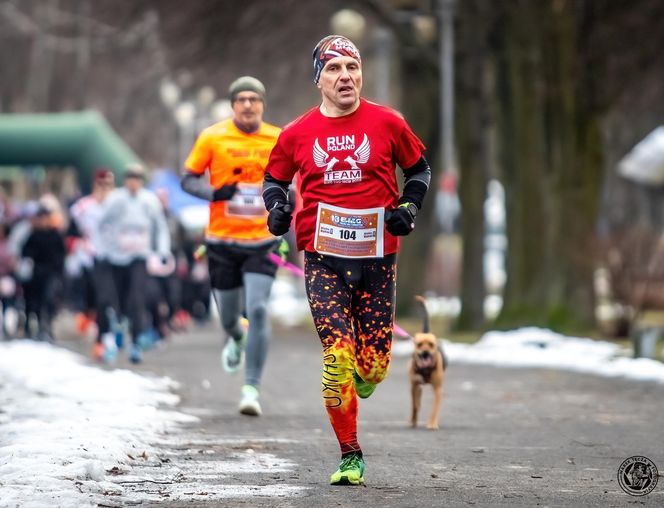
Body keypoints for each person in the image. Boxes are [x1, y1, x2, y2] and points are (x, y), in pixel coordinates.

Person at [262, 35, 431, 486]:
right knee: (337, 357)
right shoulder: (297, 133)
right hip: (323, 259)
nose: (345, 77)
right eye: (334, 69)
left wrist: (408, 210)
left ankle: (367, 371)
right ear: (319, 79)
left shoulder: (388, 123)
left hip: (378, 260)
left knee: (372, 367)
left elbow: (419, 171)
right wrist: (276, 210)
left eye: (352, 68)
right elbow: (273, 179)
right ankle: (350, 454)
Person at [181, 76, 281, 416]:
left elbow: (296, 182)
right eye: (242, 99)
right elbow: (187, 179)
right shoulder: (212, 136)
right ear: (233, 105)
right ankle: (235, 338)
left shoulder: (278, 138)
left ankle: (251, 387)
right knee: (228, 319)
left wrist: (285, 203)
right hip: (222, 241)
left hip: (263, 240)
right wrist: (214, 193)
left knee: (257, 309)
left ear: (262, 104)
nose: (248, 105)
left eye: (254, 98)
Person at [93, 162, 171, 364]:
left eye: (137, 179)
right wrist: (102, 249)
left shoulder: (150, 200)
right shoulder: (115, 199)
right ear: (125, 180)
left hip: (139, 256)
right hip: (116, 257)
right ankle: (119, 326)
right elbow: (101, 224)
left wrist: (162, 250)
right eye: (130, 178)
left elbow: (160, 227)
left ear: (141, 181)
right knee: (117, 299)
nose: (133, 183)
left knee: (137, 298)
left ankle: (135, 341)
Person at [66, 168, 115, 352]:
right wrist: (78, 244)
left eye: (108, 185)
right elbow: (70, 232)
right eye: (101, 185)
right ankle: (101, 335)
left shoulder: (118, 203)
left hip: (117, 256)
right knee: (98, 297)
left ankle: (107, 332)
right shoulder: (83, 207)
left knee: (114, 297)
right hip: (91, 257)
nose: (105, 189)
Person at [21, 205, 66, 342]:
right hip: (36, 274)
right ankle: (33, 325)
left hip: (51, 274)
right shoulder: (33, 235)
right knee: (35, 301)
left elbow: (61, 254)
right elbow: (25, 252)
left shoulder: (55, 235)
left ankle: (47, 327)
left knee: (50, 299)